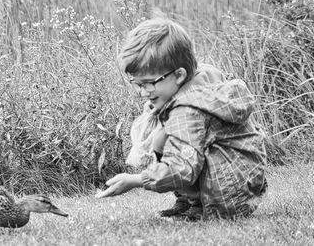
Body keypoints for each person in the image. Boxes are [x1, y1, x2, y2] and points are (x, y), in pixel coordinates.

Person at [96, 15, 267, 220]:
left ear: (178, 74)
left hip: (228, 197)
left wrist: (135, 180)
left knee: (173, 140)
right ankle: (190, 201)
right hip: (244, 180)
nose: (143, 92)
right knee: (164, 136)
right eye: (139, 84)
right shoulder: (200, 78)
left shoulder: (187, 111)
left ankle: (203, 207)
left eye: (149, 83)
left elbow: (182, 169)